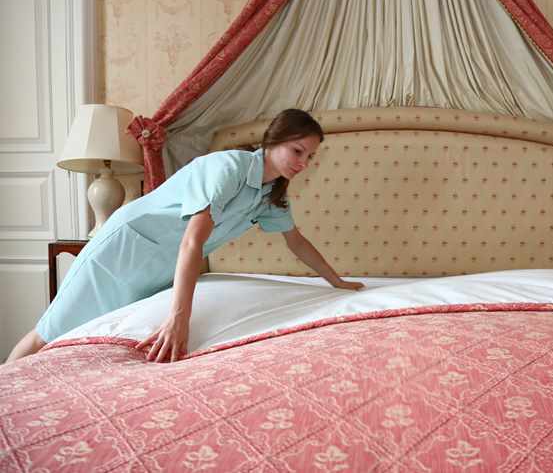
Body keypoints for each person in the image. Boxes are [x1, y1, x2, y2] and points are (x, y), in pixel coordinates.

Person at [6, 109, 363, 364]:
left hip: (160, 269)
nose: (302, 163)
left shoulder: (270, 195)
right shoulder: (228, 168)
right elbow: (194, 240)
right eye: (297, 151)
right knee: (50, 332)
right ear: (274, 141)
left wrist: (338, 282)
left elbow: (296, 241)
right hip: (121, 250)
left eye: (310, 157)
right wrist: (179, 318)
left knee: (101, 338)